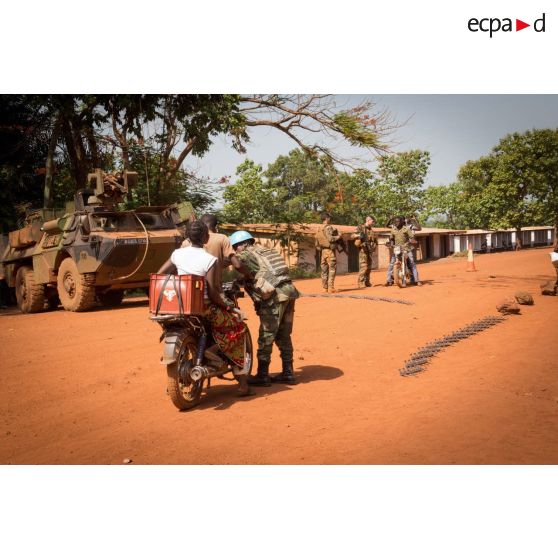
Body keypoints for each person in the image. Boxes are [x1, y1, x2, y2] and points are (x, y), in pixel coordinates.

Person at [157, 220, 252, 396]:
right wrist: (230, 308)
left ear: (187, 236)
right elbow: (214, 292)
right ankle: (242, 382)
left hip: (179, 306)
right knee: (238, 328)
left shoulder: (177, 254)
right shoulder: (210, 260)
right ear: (206, 237)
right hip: (204, 308)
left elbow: (161, 274)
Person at [230, 230, 299, 386]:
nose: (235, 251)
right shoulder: (265, 250)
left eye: (236, 247)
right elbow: (259, 272)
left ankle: (262, 375)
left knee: (266, 336)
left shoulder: (247, 253)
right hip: (289, 292)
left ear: (244, 244)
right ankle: (288, 373)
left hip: (275, 296)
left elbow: (237, 263)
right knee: (283, 334)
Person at [182, 214, 252, 294]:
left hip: (190, 290)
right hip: (214, 291)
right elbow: (237, 265)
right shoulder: (222, 238)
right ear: (216, 227)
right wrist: (249, 275)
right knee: (231, 305)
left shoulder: (186, 243)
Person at [385, 216, 422, 286]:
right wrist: (390, 244)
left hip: (406, 249)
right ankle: (389, 280)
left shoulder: (407, 228)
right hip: (397, 249)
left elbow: (412, 237)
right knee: (392, 264)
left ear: (402, 222)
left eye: (398, 221)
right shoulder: (393, 229)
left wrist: (413, 241)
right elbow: (392, 239)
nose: (396, 223)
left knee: (412, 263)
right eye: (395, 222)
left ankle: (417, 280)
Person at [315, 211, 342, 293]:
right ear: (326, 218)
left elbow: (316, 242)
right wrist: (339, 236)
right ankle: (331, 288)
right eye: (329, 217)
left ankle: (324, 288)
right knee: (332, 269)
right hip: (329, 251)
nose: (330, 219)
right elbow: (331, 239)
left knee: (324, 270)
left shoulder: (319, 228)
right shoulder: (328, 227)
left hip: (323, 251)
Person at [351, 215, 377, 288]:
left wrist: (373, 247)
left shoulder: (371, 231)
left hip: (369, 251)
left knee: (369, 267)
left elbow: (375, 241)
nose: (373, 223)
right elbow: (352, 235)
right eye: (372, 221)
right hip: (363, 251)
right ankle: (360, 282)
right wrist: (359, 236)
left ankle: (367, 282)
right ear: (368, 220)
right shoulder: (361, 228)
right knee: (363, 267)